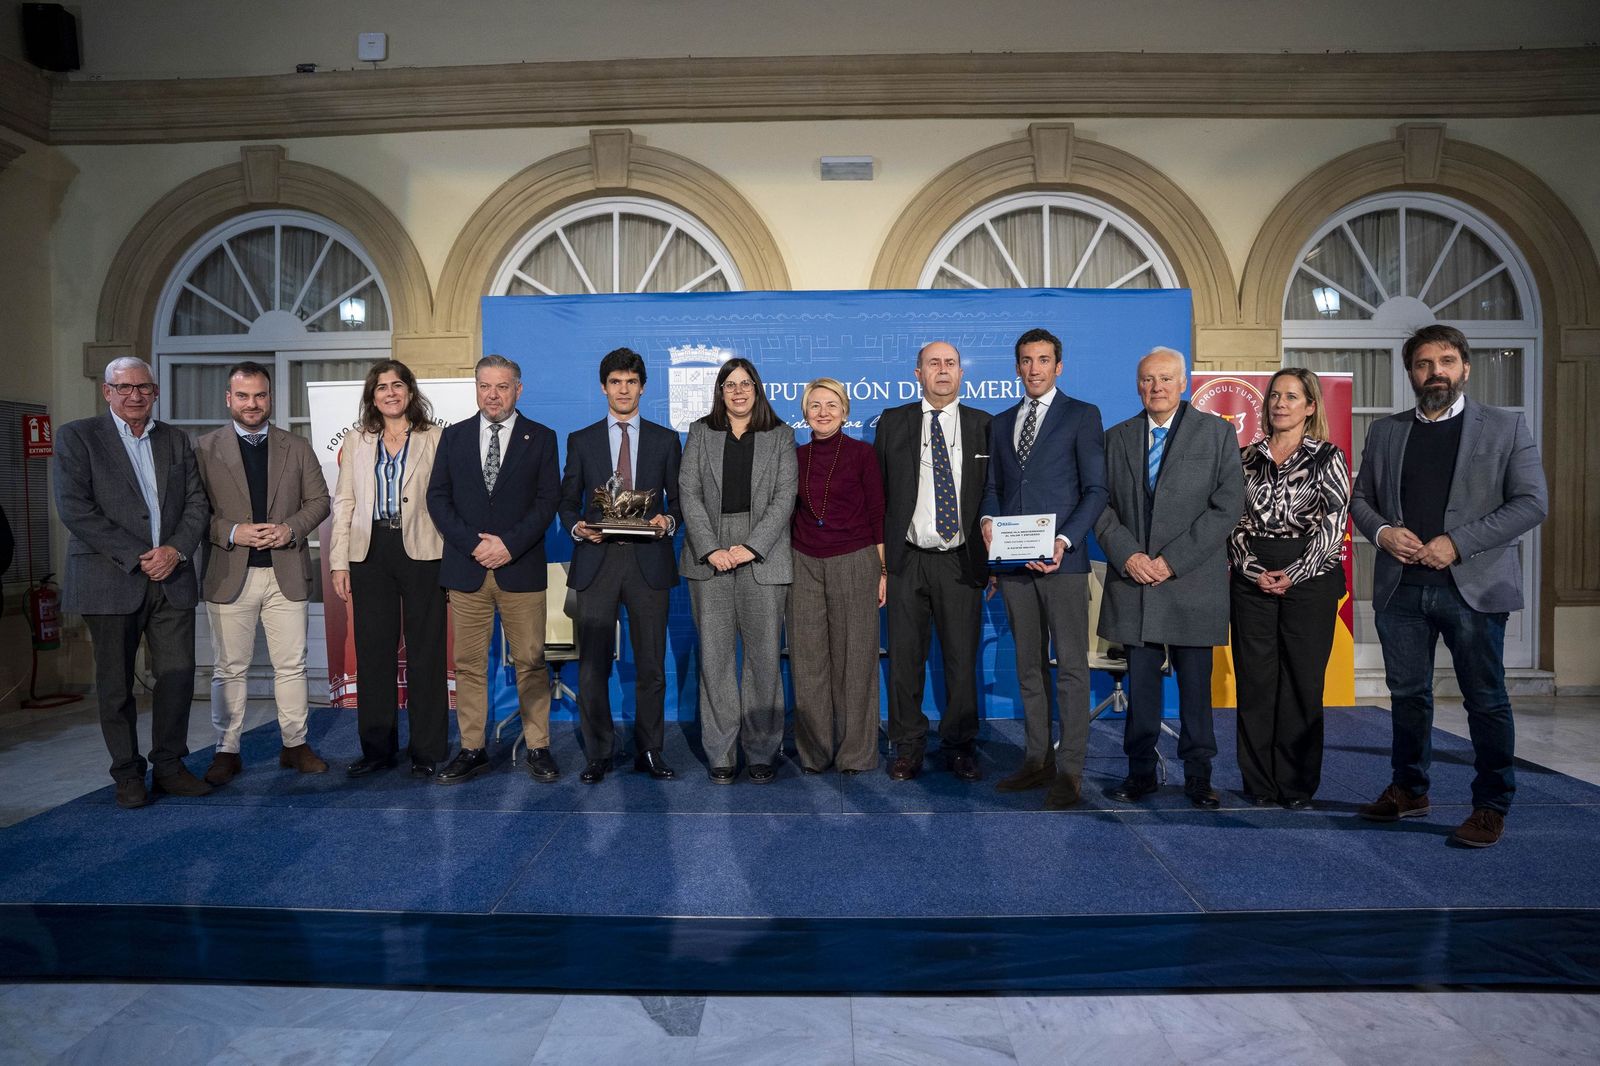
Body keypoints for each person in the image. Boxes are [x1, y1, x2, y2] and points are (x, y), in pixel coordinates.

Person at [1352, 324, 1547, 848]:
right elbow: (1360, 500)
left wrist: (1457, 543)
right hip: (1402, 588)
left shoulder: (1505, 428)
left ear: (1464, 367)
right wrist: (1383, 531)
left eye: (1445, 362)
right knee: (1409, 696)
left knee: (1485, 700)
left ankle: (1490, 805)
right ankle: (1410, 789)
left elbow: (1532, 502)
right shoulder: (1387, 432)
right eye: (1423, 363)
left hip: (1472, 587)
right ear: (1411, 373)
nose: (1435, 372)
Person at [54, 357, 211, 809]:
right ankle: (127, 774)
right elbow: (76, 509)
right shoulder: (78, 437)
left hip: (172, 576)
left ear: (155, 391)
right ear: (107, 392)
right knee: (116, 685)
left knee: (178, 676)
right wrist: (139, 555)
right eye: (123, 388)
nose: (134, 395)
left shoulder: (175, 440)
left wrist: (175, 551)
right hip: (109, 579)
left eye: (143, 387)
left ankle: (170, 765)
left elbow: (197, 504)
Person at [1095, 348, 1244, 809]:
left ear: (1183, 383)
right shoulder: (1115, 437)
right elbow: (1099, 504)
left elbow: (1227, 507)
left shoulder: (1217, 434)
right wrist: (1129, 555)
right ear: (1137, 385)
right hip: (1134, 581)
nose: (1155, 387)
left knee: (1196, 690)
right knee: (1140, 690)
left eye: (1164, 379)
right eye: (1146, 380)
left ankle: (1199, 776)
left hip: (1191, 583)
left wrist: (1171, 561)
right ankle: (1141, 772)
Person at [981, 327, 1107, 810]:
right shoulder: (1000, 422)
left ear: (1059, 366)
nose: (1034, 368)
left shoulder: (1082, 415)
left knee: (1071, 669)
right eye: (1026, 360)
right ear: (1017, 367)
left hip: (1063, 564)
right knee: (1027, 667)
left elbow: (1096, 491)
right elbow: (993, 487)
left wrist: (1062, 540)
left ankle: (1070, 771)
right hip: (1013, 567)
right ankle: (1037, 761)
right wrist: (989, 520)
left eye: (1043, 360)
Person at [194, 361, 332, 784]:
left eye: (260, 396)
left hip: (284, 570)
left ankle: (295, 744)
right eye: (243, 396)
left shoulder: (298, 446)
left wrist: (289, 528)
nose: (252, 404)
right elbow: (193, 513)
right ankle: (227, 750)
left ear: (270, 398)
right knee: (229, 668)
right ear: (228, 399)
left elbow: (320, 501)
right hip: (228, 572)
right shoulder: (202, 448)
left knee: (291, 665)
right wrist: (234, 531)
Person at [426, 355, 562, 785]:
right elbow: (438, 499)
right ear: (476, 388)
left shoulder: (540, 437)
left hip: (519, 568)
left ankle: (538, 746)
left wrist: (508, 545)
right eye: (485, 386)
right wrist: (475, 545)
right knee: (468, 664)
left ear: (518, 390)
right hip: (467, 570)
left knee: (531, 660)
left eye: (502, 387)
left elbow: (547, 502)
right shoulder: (453, 437)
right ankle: (472, 749)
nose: (493, 395)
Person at [1228, 367, 1350, 810]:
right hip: (1251, 576)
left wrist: (1295, 573)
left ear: (1311, 406)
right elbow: (1232, 522)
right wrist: (1252, 568)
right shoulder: (1243, 457)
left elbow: (1335, 524)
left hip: (1312, 579)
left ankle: (1296, 786)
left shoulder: (1327, 456)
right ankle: (1259, 783)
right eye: (1275, 396)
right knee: (1256, 681)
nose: (1280, 403)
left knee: (1301, 682)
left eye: (1292, 397)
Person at [559, 347, 683, 784]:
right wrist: (577, 528)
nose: (623, 389)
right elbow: (566, 500)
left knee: (650, 664)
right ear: (603, 388)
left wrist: (668, 520)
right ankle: (598, 753)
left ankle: (650, 750)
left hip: (649, 563)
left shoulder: (666, 440)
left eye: (631, 381)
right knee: (593, 667)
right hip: (597, 561)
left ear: (643, 387)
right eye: (615, 381)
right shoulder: (581, 439)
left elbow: (681, 503)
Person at [875, 340, 991, 782]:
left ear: (961, 373)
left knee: (962, 660)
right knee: (905, 659)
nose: (942, 370)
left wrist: (992, 561)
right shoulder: (893, 421)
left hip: (961, 560)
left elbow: (992, 494)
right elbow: (880, 495)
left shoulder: (983, 425)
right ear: (917, 373)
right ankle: (907, 746)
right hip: (908, 559)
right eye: (933, 364)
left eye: (950, 363)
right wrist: (883, 567)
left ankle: (960, 745)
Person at [330, 360, 449, 779]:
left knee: (426, 653)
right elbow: (343, 503)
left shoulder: (435, 438)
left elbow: (447, 500)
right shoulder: (357, 441)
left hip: (423, 551)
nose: (390, 393)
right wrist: (339, 561)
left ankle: (428, 750)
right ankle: (377, 750)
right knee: (374, 653)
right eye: (382, 387)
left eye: (398, 385)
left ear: (410, 392)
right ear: (372, 396)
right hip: (370, 552)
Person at [679, 358, 796, 783]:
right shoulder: (700, 432)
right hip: (709, 553)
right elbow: (688, 492)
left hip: (762, 553)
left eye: (746, 383)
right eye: (730, 385)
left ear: (757, 389)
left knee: (764, 659)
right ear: (720, 392)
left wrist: (748, 547)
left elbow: (785, 497)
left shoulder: (781, 435)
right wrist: (711, 548)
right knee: (715, 659)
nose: (739, 391)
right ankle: (722, 753)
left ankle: (762, 751)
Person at [789, 377, 886, 774]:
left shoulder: (863, 455)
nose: (823, 412)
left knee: (857, 660)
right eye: (815, 405)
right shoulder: (794, 457)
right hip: (803, 562)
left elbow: (878, 514)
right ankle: (814, 753)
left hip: (856, 560)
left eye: (832, 405)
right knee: (808, 662)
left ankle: (856, 754)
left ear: (845, 411)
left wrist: (882, 570)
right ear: (805, 413)